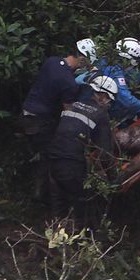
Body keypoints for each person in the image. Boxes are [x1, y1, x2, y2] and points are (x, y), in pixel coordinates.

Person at [21, 38, 98, 201]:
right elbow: (68, 111)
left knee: (43, 152)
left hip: (26, 114)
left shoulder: (52, 61)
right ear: (82, 59)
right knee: (51, 156)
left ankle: (40, 191)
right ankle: (43, 196)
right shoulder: (69, 83)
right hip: (40, 121)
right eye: (86, 64)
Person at [46, 75, 118, 223]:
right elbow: (105, 154)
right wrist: (114, 179)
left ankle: (55, 239)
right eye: (109, 100)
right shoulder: (101, 114)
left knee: (59, 206)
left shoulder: (75, 104)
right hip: (70, 163)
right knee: (86, 203)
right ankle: (86, 239)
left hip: (52, 159)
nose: (109, 104)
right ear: (103, 96)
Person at [77, 37, 140, 125]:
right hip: (95, 114)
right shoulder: (114, 71)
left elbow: (128, 75)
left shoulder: (105, 61)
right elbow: (125, 99)